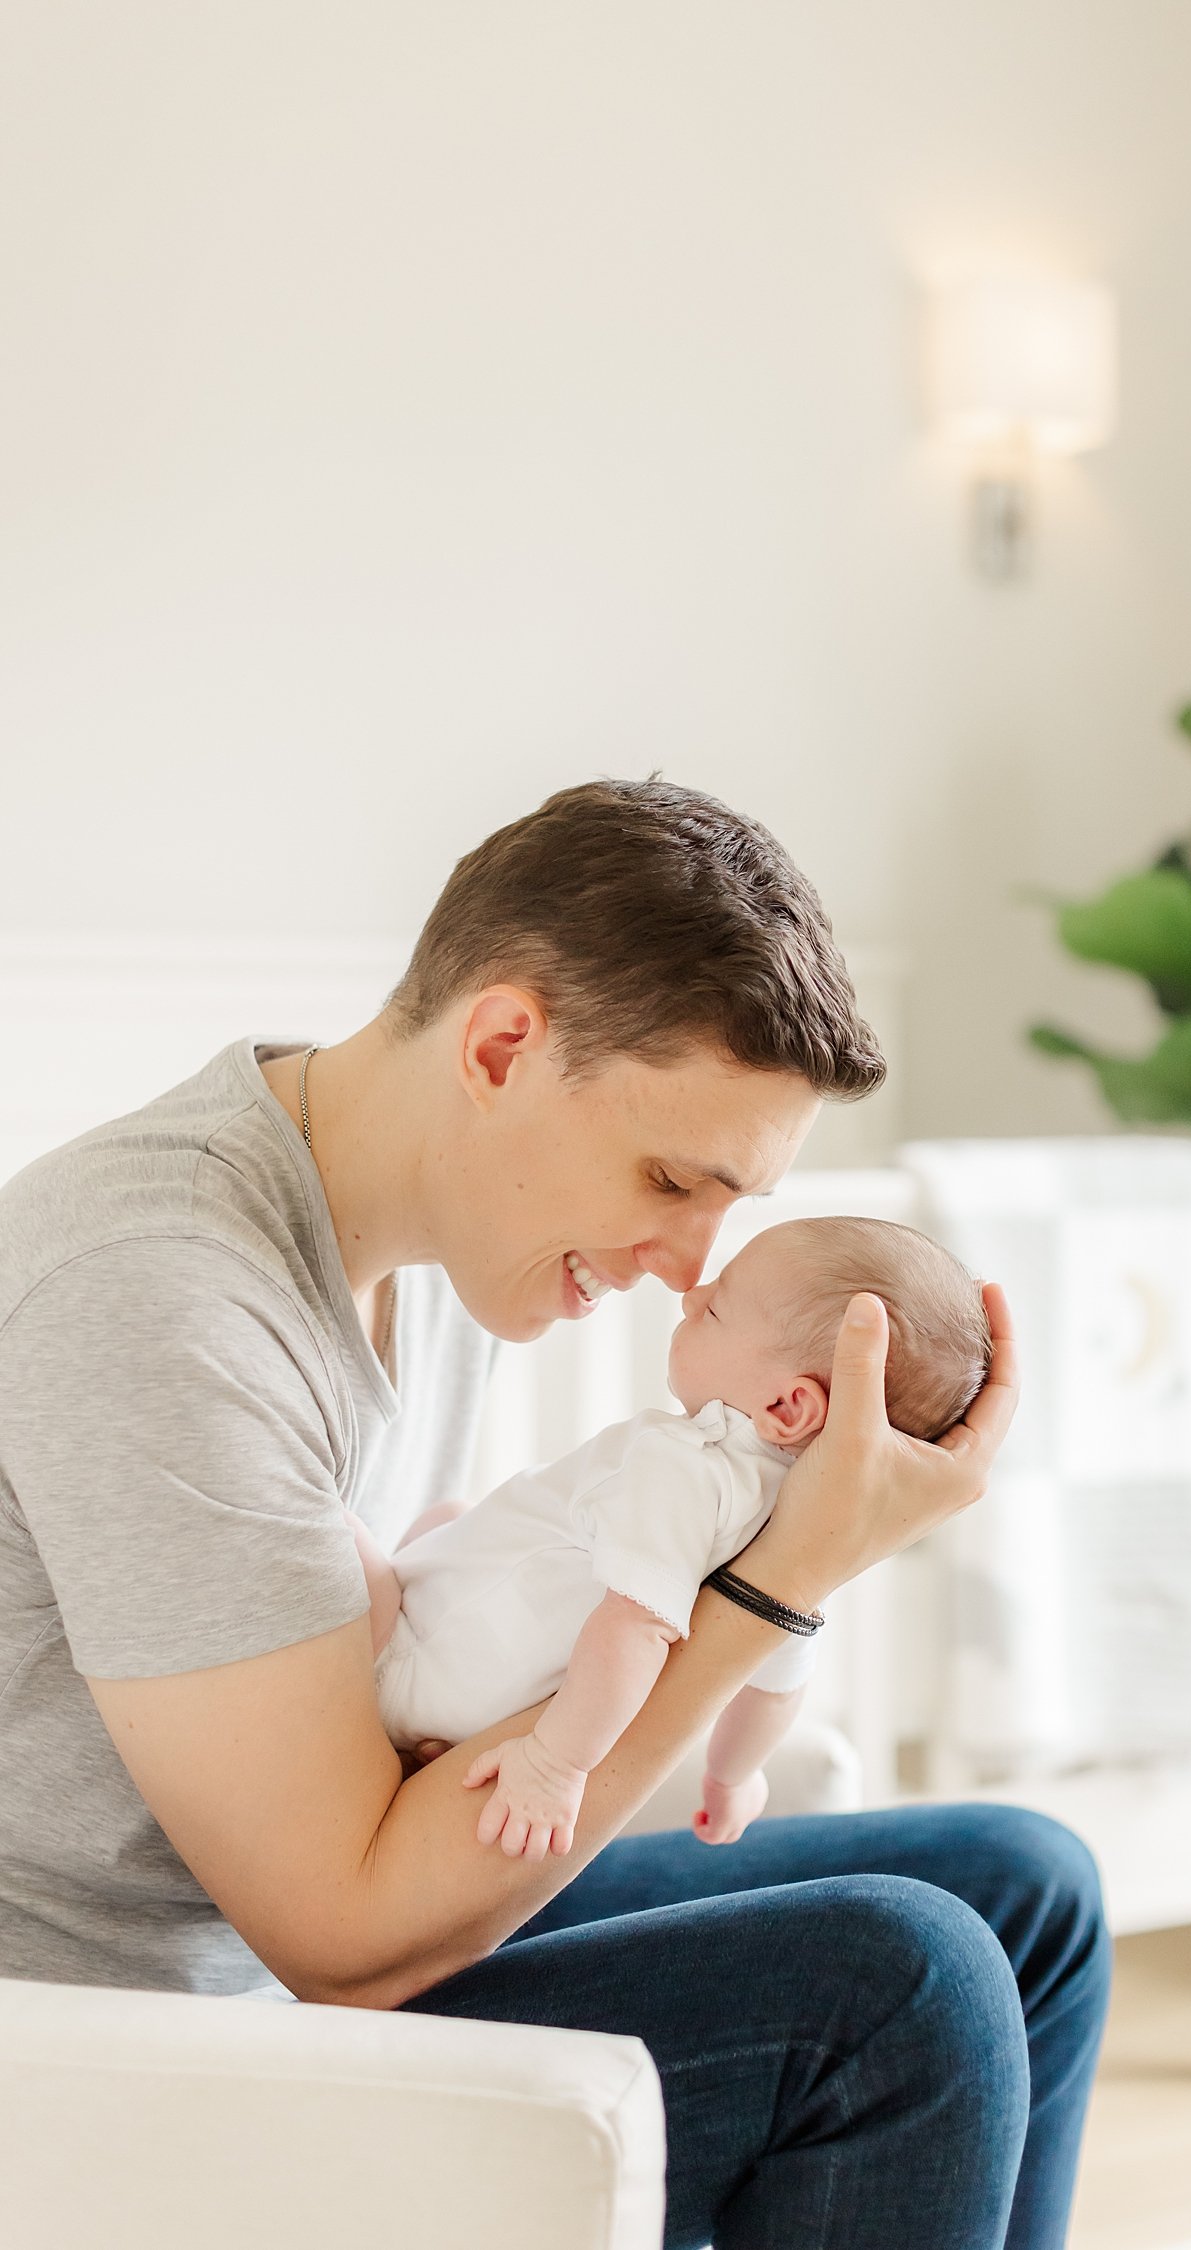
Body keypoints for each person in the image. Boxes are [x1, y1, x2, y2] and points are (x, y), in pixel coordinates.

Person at [0, 778, 1110, 2248]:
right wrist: (773, 1590)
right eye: (670, 1179)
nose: (686, 1262)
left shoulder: (444, 1254)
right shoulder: (161, 1295)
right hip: (125, 2068)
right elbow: (339, 1932)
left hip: (310, 1946)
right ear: (505, 1044)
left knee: (1029, 1892)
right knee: (903, 1986)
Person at [357, 1216, 991, 1857]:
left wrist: (556, 1764)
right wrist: (732, 1775)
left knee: (341, 1529)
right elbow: (775, 1687)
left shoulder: (687, 1464)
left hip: (407, 1658)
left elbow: (634, 1627)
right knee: (449, 1517)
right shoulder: (790, 1541)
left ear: (786, 1408)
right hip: (465, 1710)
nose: (691, 1295)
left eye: (715, 1310)